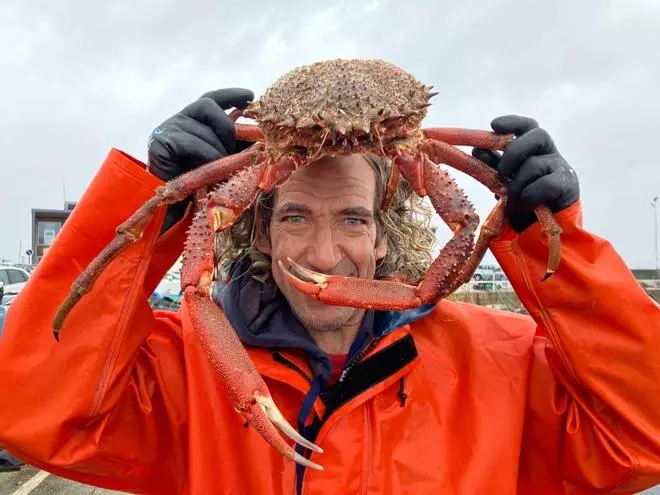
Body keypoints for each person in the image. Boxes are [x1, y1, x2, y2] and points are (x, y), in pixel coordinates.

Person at [0, 87, 658, 495]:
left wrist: (559, 246)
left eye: (352, 218)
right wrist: (157, 206)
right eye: (293, 217)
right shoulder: (187, 368)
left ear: (383, 233)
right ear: (255, 228)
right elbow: (32, 411)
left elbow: (645, 435)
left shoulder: (502, 362)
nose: (321, 251)